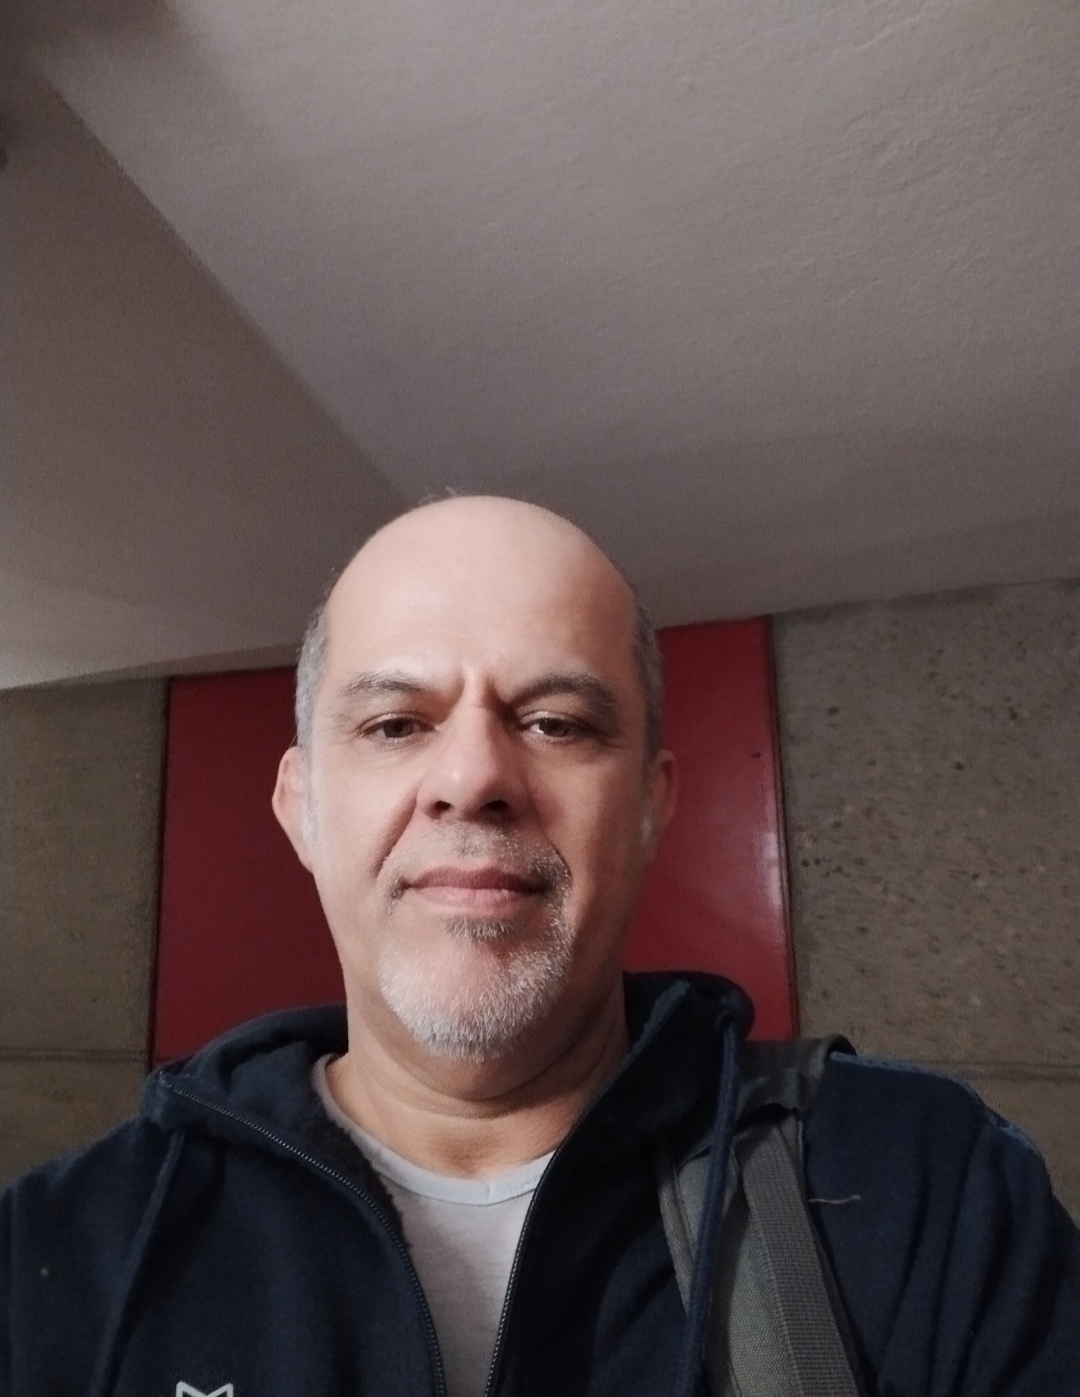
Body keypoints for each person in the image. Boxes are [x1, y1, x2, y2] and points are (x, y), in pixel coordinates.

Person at [2, 496, 1076, 1397]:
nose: (473, 776)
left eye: (557, 721)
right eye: (395, 723)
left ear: (652, 805)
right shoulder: (52, 1258)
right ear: (300, 808)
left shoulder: (929, 1190)